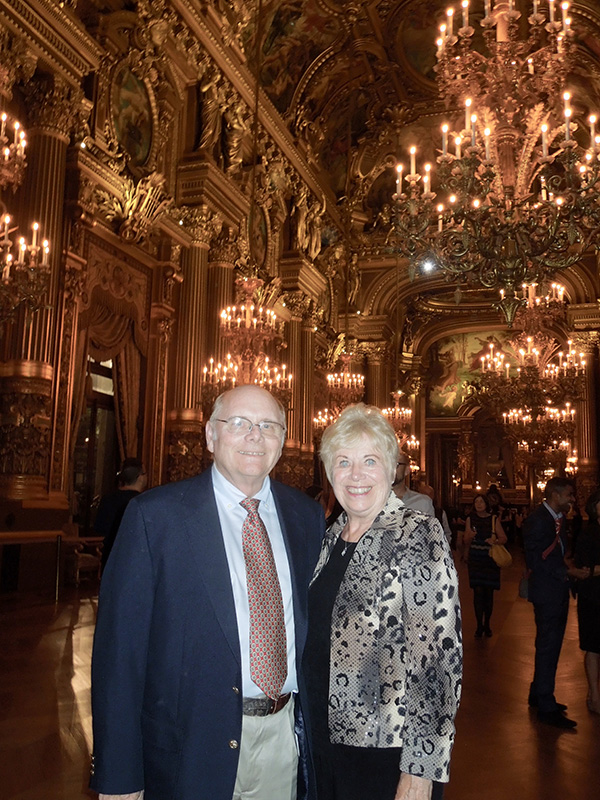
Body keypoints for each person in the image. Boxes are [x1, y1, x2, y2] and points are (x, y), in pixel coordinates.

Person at [90, 385, 326, 800]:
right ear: (210, 436)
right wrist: (119, 773)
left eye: (269, 425)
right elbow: (119, 653)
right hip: (188, 746)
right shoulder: (154, 516)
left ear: (283, 440)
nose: (255, 435)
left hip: (283, 737)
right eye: (238, 423)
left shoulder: (305, 516)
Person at [303, 404, 462, 800]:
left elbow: (438, 660)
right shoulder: (328, 538)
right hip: (322, 740)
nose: (356, 476)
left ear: (392, 471)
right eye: (343, 462)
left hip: (385, 755)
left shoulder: (417, 535)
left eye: (370, 461)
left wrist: (420, 770)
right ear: (329, 473)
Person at [523, 476, 577, 729]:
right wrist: (565, 572)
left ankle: (537, 693)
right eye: (568, 494)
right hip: (546, 592)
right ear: (555, 495)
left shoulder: (559, 518)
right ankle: (546, 703)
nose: (572, 499)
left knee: (549, 643)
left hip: (557, 589)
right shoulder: (537, 520)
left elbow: (557, 552)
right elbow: (535, 559)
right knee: (549, 644)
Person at [463, 493, 507, 638]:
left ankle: (487, 623)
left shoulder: (493, 519)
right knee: (477, 591)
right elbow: (466, 539)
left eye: (481, 501)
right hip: (476, 558)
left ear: (486, 504)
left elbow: (503, 538)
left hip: (489, 559)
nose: (479, 504)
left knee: (488, 593)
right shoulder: (470, 519)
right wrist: (468, 537)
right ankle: (479, 625)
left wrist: (494, 541)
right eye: (476, 502)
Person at [573, 489, 600, 714]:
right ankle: (594, 694)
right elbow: (582, 569)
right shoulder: (588, 533)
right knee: (593, 646)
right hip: (593, 596)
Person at [94, 458, 147, 571]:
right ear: (140, 477)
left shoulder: (108, 499)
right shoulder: (144, 502)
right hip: (136, 559)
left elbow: (99, 527)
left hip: (110, 556)